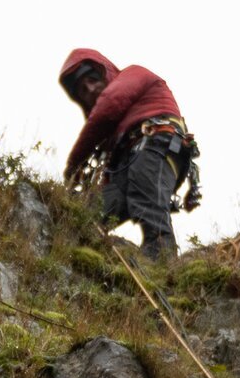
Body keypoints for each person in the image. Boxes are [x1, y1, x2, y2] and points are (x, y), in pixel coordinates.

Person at [58, 48, 199, 259]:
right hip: (134, 159)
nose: (91, 89)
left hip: (156, 145)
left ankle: (163, 262)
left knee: (147, 201)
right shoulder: (113, 134)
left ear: (105, 72)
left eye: (93, 80)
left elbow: (110, 104)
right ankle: (73, 250)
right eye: (83, 91)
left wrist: (73, 163)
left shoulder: (133, 75)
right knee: (90, 212)